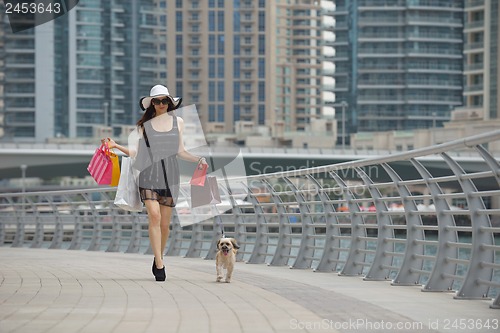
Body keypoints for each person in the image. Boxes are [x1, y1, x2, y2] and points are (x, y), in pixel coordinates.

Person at [103, 84, 208, 281]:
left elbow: (180, 151)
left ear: (170, 102)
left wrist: (198, 159)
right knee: (154, 215)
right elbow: (136, 153)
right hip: (148, 173)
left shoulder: (179, 122)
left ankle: (157, 255)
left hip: (170, 174)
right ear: (152, 104)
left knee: (166, 225)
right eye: (157, 101)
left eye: (164, 100)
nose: (161, 104)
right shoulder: (144, 126)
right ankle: (160, 264)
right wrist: (116, 146)